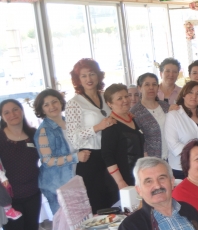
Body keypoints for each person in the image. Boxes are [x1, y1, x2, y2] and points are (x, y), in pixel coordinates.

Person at [65, 58, 118, 213]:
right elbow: (73, 138)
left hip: (110, 155)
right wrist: (97, 127)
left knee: (115, 201)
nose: (89, 79)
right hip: (90, 159)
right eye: (83, 76)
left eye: (92, 74)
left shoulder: (105, 97)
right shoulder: (74, 103)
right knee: (99, 206)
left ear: (98, 76)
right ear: (78, 80)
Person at [0, 99, 41, 230]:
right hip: (9, 199)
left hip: (33, 193)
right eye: (7, 112)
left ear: (22, 111)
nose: (12, 115)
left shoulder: (33, 134)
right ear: (2, 116)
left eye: (15, 110)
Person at [34, 89, 88, 214]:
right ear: (42, 109)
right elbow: (47, 161)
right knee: (67, 225)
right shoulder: (44, 130)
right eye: (46, 105)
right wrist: (75, 157)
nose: (52, 106)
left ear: (60, 102)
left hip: (74, 178)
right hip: (57, 185)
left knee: (82, 220)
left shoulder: (69, 122)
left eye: (54, 102)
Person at [164, 81, 198, 179]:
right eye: (190, 92)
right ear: (183, 95)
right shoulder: (174, 115)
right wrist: (197, 155)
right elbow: (173, 145)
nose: (194, 96)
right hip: (181, 169)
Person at [101, 83, 145, 188]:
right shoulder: (110, 125)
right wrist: (120, 182)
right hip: (121, 181)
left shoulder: (131, 118)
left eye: (126, 96)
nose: (125, 100)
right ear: (109, 104)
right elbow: (107, 156)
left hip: (137, 175)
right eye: (120, 98)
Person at [131, 73, 171, 160]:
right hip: (152, 160)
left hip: (172, 157)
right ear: (139, 88)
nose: (151, 88)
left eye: (154, 84)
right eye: (147, 84)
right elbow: (138, 140)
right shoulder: (135, 112)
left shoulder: (165, 106)